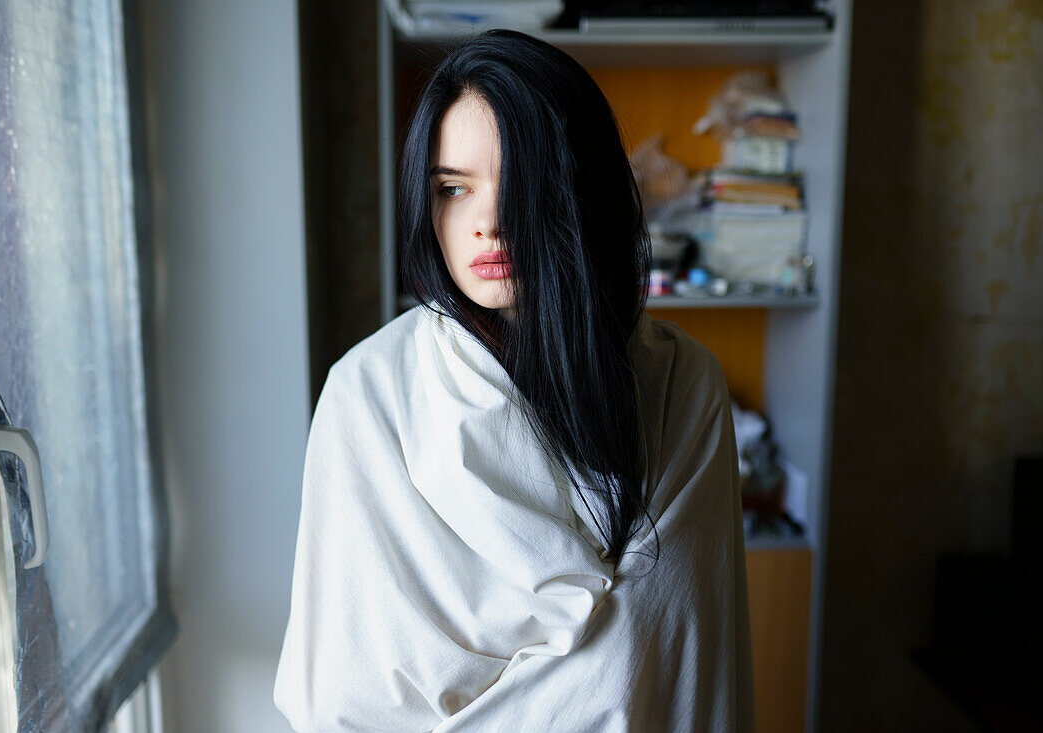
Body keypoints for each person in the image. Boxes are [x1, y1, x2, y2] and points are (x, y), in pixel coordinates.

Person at [274, 28, 754, 732]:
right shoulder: (368, 396)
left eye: (522, 185)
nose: (488, 224)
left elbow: (672, 657)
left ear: (580, 193)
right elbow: (341, 696)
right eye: (452, 188)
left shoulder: (682, 386)